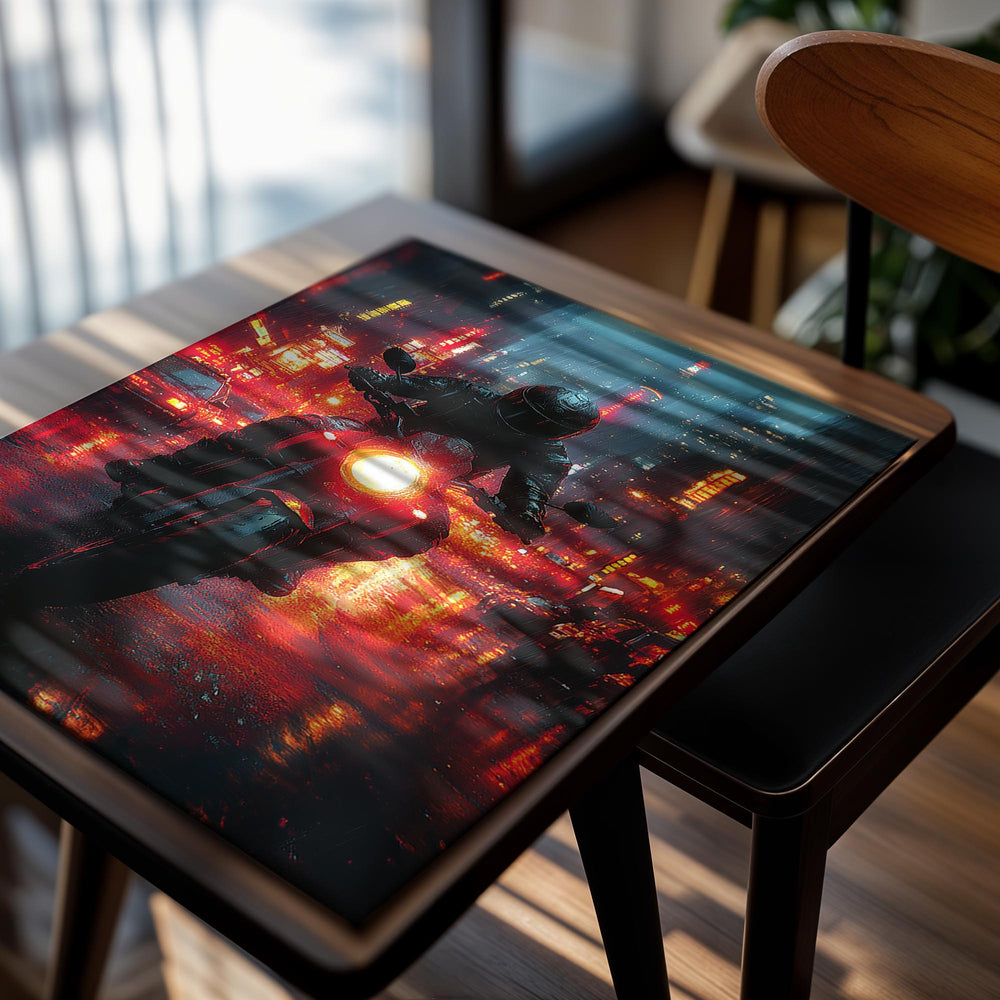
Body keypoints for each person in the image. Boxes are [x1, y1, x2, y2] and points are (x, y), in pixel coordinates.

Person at [348, 368, 600, 542]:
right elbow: (419, 385)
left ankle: (320, 559)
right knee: (318, 426)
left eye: (535, 420)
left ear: (556, 432)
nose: (519, 416)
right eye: (522, 408)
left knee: (430, 531)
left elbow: (532, 486)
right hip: (385, 435)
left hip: (428, 477)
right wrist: (378, 379)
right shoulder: (470, 393)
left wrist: (525, 512)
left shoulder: (548, 455)